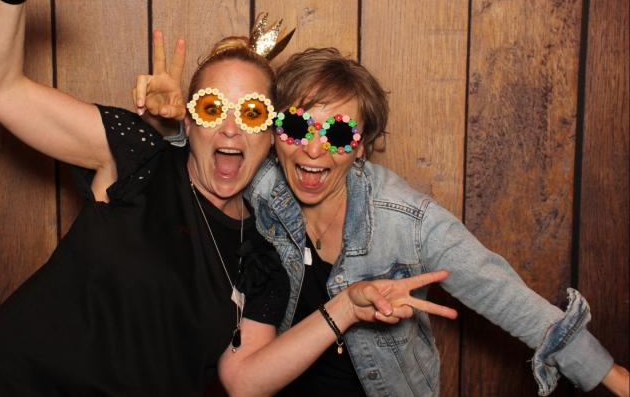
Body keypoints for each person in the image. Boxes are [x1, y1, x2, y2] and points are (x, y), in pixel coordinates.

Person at [0, 0, 456, 397]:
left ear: (272, 133)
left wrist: (345, 306)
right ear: (189, 122)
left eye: (251, 113)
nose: (231, 128)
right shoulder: (137, 158)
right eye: (214, 109)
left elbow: (244, 380)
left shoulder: (263, 258)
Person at [209, 47, 629, 396]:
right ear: (274, 132)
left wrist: (614, 378)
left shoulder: (407, 220)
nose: (315, 150)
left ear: (361, 146)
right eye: (298, 127)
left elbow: (506, 296)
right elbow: (201, 154)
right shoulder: (261, 183)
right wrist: (176, 119)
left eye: (337, 135)